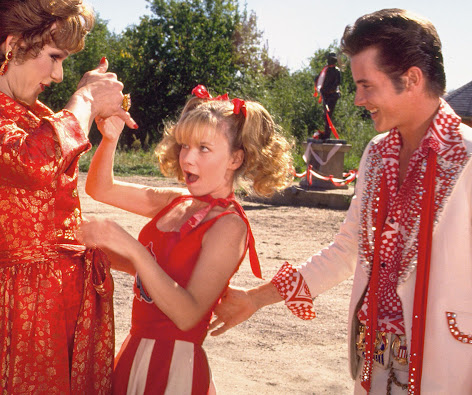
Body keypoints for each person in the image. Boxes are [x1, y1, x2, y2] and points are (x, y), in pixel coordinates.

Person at [210, 8, 472, 394]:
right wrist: (255, 299)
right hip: (375, 368)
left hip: (450, 370)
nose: (358, 98)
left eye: (366, 85)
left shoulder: (468, 158)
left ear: (412, 79)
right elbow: (346, 251)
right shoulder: (377, 154)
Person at [0, 0, 136, 393]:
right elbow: (34, 161)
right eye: (54, 57)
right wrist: (86, 100)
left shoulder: (18, 113)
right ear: (13, 44)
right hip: (26, 312)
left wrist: (151, 268)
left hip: (64, 302)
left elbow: (59, 217)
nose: (57, 75)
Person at [77, 85, 293, 394]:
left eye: (204, 148)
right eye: (184, 146)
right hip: (134, 351)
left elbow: (188, 315)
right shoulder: (177, 200)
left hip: (175, 368)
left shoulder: (229, 225)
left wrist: (133, 250)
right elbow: (101, 189)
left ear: (235, 159)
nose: (187, 159)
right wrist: (110, 139)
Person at [314, 52, 342, 140]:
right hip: (325, 95)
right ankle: (326, 133)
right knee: (326, 114)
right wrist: (320, 88)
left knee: (329, 113)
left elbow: (337, 83)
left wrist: (328, 89)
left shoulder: (336, 70)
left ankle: (327, 134)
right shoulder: (325, 70)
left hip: (332, 95)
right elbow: (317, 79)